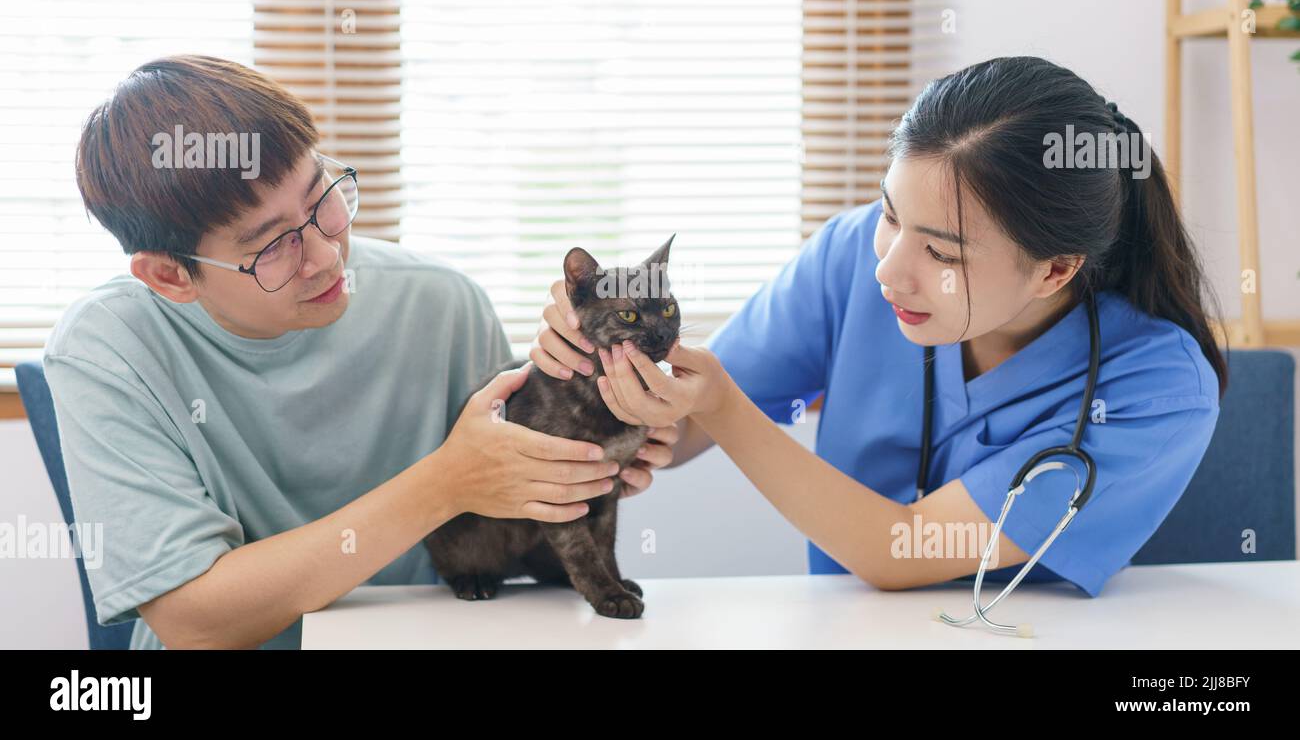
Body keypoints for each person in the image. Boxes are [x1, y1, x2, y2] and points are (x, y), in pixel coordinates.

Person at [529, 56, 1227, 597]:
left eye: (942, 251)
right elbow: (679, 430)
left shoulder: (1158, 389)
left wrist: (719, 404)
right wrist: (602, 375)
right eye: (891, 213)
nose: (889, 270)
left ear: (1054, 270)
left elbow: (905, 548)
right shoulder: (848, 255)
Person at [43, 55, 676, 649]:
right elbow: (191, 620)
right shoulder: (108, 351)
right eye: (272, 246)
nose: (325, 256)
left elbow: (508, 539)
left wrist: (585, 462)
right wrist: (446, 484)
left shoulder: (443, 304)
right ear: (171, 277)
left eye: (322, 198)